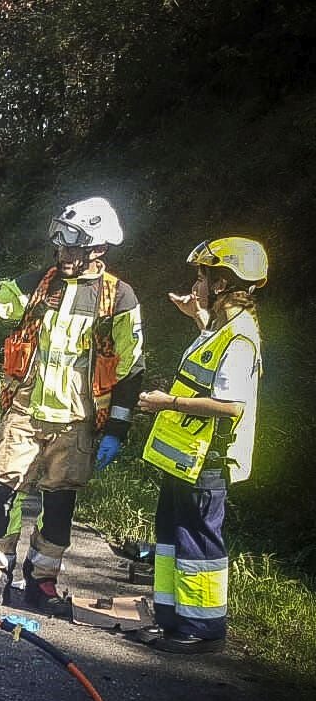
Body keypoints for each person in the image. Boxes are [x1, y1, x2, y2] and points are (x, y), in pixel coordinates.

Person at [0, 198, 144, 614]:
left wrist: (117, 430)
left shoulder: (119, 297)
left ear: (98, 249)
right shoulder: (41, 282)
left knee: (60, 504)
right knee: (2, 491)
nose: (63, 254)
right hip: (26, 409)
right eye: (61, 246)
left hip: (77, 421)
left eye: (74, 247)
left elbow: (132, 367)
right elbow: (1, 302)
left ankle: (42, 580)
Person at [135, 238, 266, 654]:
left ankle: (204, 631)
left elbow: (229, 405)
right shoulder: (221, 330)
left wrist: (166, 403)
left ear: (223, 283)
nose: (197, 282)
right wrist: (198, 316)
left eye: (203, 277)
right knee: (174, 540)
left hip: (206, 462)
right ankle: (173, 619)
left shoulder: (240, 340)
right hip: (186, 459)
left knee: (198, 545)